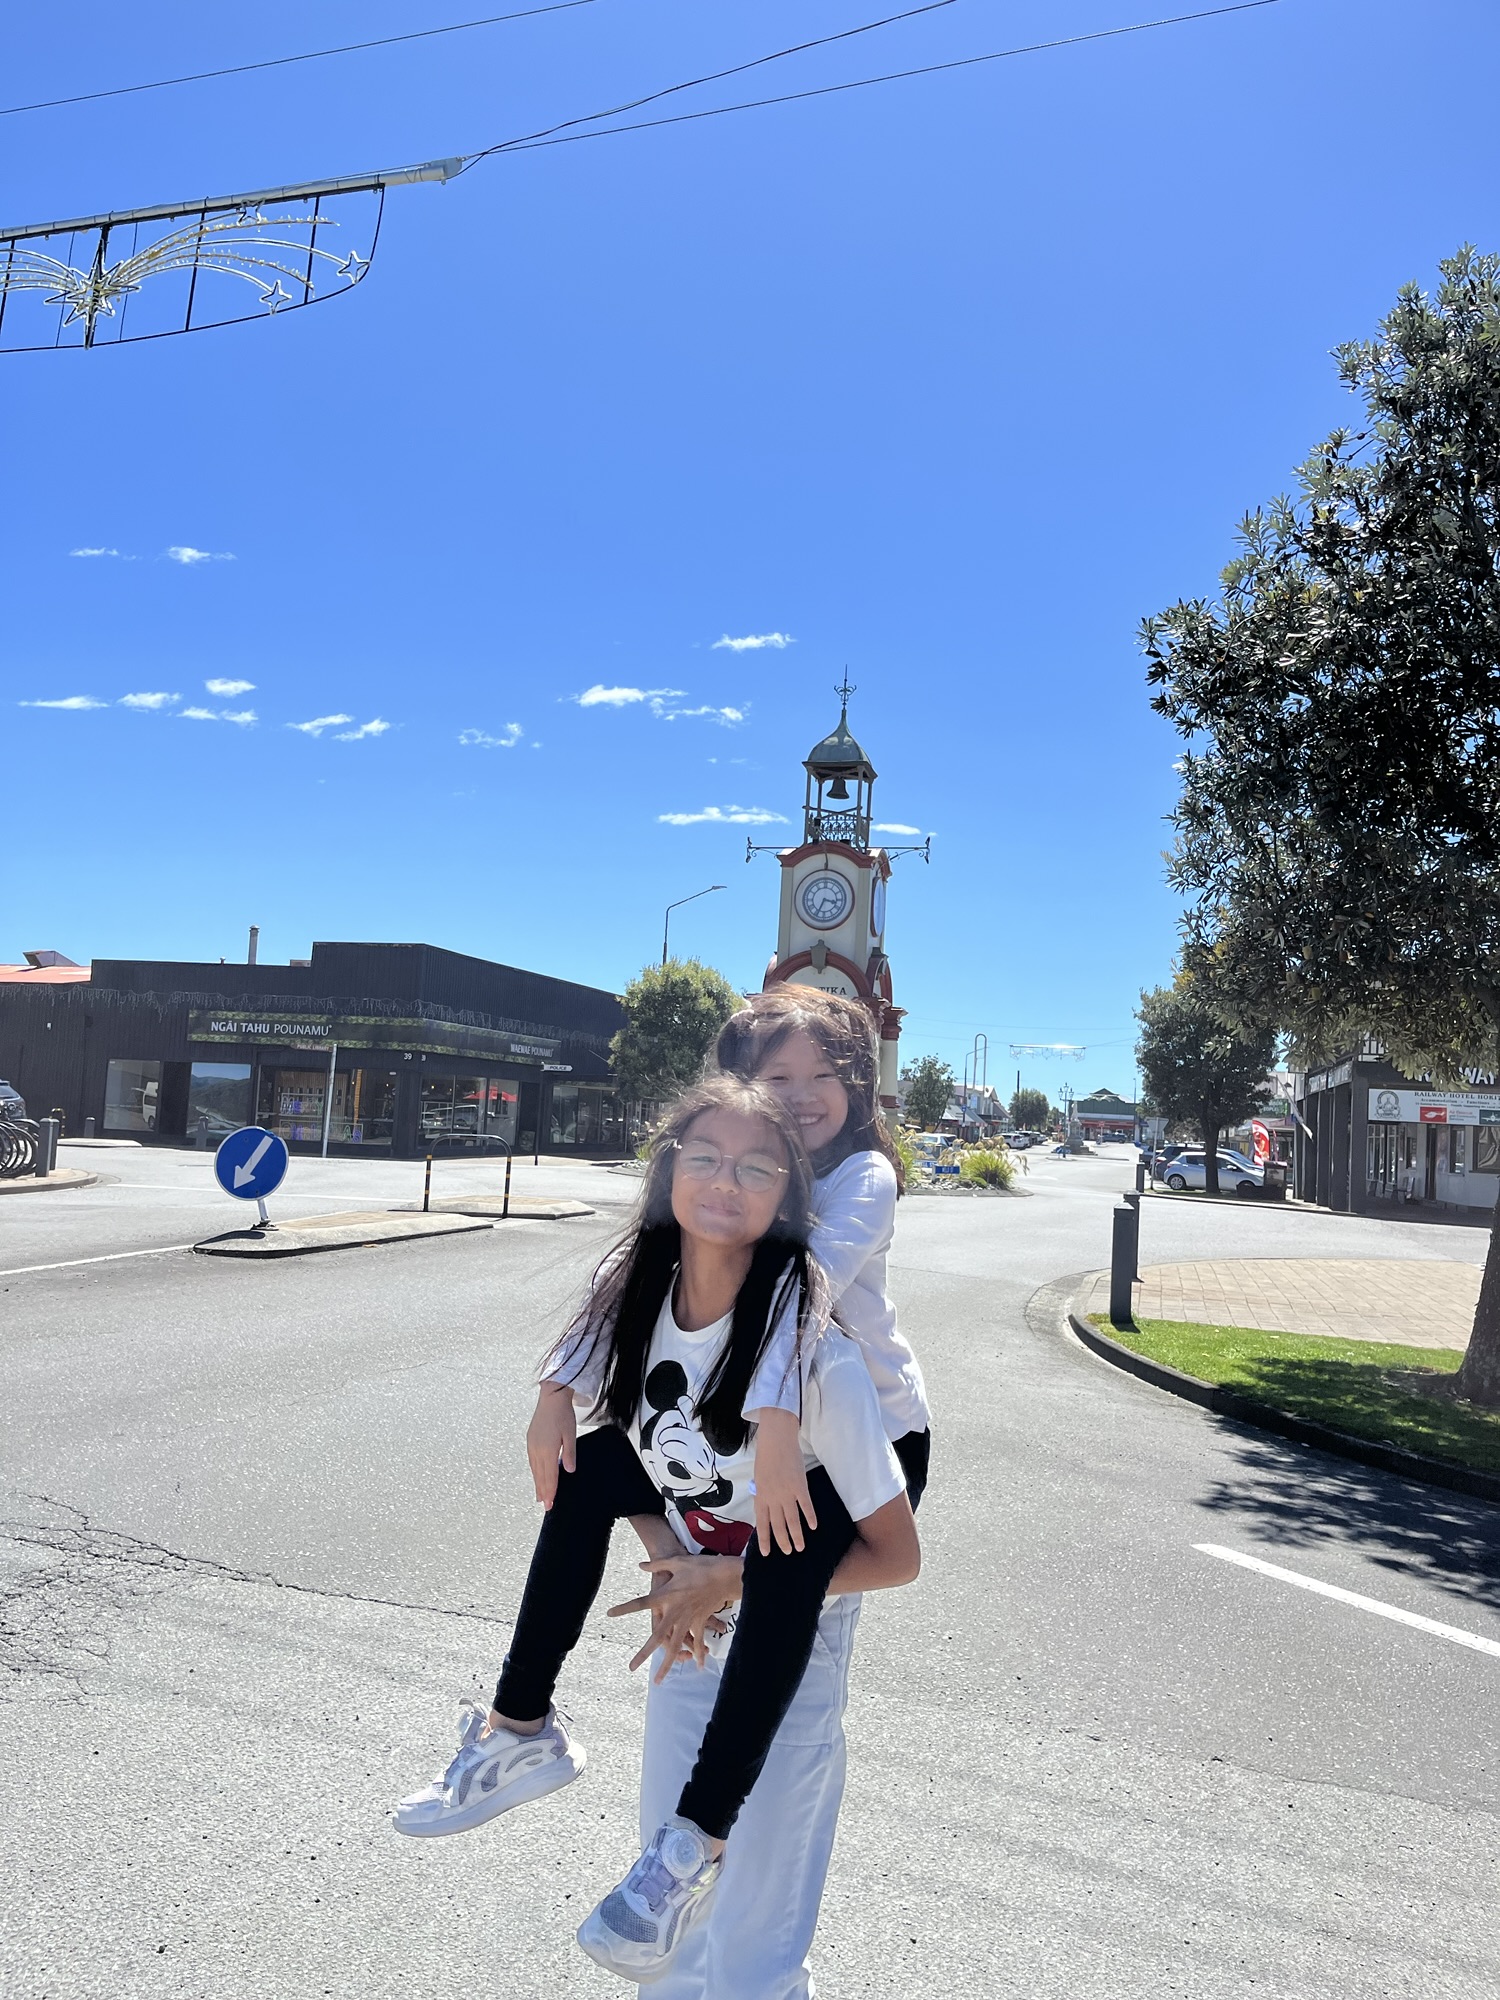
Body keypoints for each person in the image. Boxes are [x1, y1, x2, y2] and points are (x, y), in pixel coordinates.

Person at [392, 1076, 919, 1984]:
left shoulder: (819, 1363)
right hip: (693, 1620)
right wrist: (665, 1542)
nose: (726, 1180)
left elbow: (897, 1557)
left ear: (789, 1203)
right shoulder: (641, 1303)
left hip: (786, 1631)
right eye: (704, 1157)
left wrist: (734, 1577)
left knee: (752, 1939)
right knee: (588, 1463)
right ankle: (521, 1728)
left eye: (757, 1168)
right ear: (668, 1169)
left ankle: (698, 1841)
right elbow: (628, 1450)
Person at [713, 987, 932, 1537]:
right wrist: (559, 1390)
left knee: (791, 1582)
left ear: (853, 1086)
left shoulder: (863, 1174)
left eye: (824, 1075)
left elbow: (805, 1293)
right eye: (778, 1078)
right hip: (776, 1427)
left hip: (876, 1430)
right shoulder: (743, 1172)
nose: (802, 1096)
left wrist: (776, 1418)